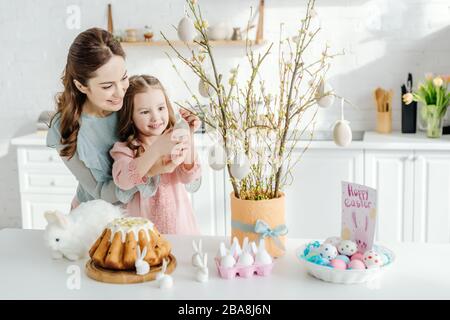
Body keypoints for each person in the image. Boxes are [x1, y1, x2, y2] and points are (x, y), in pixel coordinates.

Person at [46, 28, 178, 208]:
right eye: (107, 86)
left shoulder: (131, 97)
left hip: (138, 214)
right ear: (81, 86)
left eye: (123, 78)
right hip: (95, 217)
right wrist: (151, 169)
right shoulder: (64, 127)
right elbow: (100, 193)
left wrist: (187, 127)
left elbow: (171, 121)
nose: (120, 92)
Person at [110, 75, 202, 235]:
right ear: (130, 117)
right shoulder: (125, 149)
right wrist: (157, 150)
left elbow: (188, 177)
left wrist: (188, 134)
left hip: (179, 229)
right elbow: (124, 181)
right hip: (142, 235)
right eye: (145, 111)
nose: (156, 117)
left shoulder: (174, 139)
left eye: (161, 108)